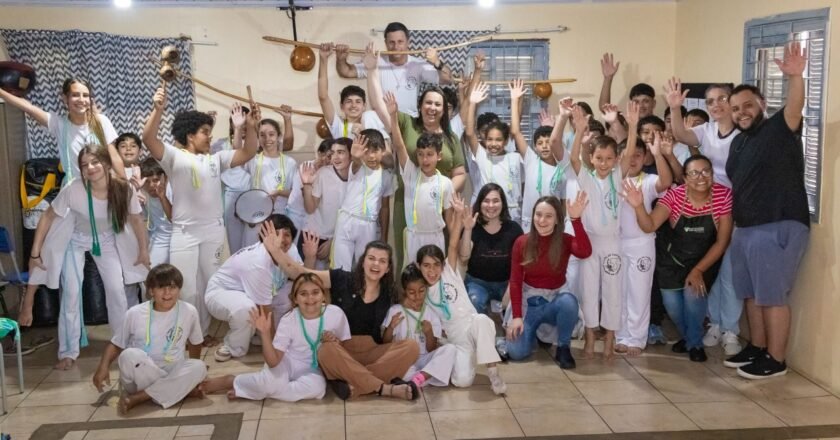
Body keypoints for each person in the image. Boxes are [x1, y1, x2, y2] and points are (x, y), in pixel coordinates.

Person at [142, 86, 259, 342]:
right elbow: (148, 139)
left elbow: (249, 151)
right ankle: (186, 335)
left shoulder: (216, 159)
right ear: (190, 135)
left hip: (213, 231)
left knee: (212, 285)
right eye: (205, 132)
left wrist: (251, 126)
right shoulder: (174, 157)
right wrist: (157, 109)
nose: (209, 137)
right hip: (183, 233)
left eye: (210, 132)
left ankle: (203, 333)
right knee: (186, 289)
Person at [723, 42, 810, 379]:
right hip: (746, 227)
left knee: (771, 295)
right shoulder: (739, 141)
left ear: (761, 104)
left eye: (747, 105)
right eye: (735, 108)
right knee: (751, 293)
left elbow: (795, 106)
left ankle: (776, 359)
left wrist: (795, 77)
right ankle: (757, 347)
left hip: (777, 223)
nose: (741, 112)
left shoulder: (778, 128)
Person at [20, 144, 149, 370]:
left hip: (107, 239)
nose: (90, 168)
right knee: (70, 291)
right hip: (74, 240)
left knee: (117, 291)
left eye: (95, 162)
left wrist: (143, 250)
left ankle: (122, 345)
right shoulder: (74, 188)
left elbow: (137, 220)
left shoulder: (122, 189)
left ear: (106, 163)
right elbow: (47, 217)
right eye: (84, 164)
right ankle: (68, 352)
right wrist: (35, 252)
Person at [266, 226, 420, 401]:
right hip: (341, 349)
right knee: (325, 351)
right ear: (363, 262)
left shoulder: (390, 292)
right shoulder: (342, 278)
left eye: (382, 261)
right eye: (371, 258)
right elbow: (301, 274)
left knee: (411, 347)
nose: (376, 264)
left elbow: (414, 295)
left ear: (387, 268)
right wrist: (275, 251)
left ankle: (351, 381)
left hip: (371, 350)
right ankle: (384, 388)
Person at [366, 43, 466, 270]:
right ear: (420, 106)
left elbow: (460, 173)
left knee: (438, 261)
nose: (432, 107)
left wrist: (442, 192)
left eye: (438, 104)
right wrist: (372, 71)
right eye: (428, 103)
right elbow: (380, 106)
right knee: (409, 262)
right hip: (408, 201)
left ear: (444, 109)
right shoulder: (407, 123)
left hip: (443, 206)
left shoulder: (451, 138)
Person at [624, 155, 733, 362]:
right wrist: (638, 206)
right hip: (672, 261)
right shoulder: (674, 196)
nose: (701, 177)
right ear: (684, 177)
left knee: (693, 297)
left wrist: (699, 270)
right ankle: (690, 337)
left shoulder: (723, 195)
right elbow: (649, 226)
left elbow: (722, 242)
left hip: (704, 260)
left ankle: (694, 344)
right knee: (673, 306)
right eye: (694, 173)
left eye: (706, 171)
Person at [665, 79, 743, 355]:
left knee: (730, 273)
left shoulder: (742, 133)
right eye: (710, 101)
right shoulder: (706, 130)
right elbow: (681, 134)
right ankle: (714, 324)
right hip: (707, 203)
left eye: (722, 99)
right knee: (710, 271)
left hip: (733, 207)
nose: (716, 105)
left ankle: (731, 329)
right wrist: (675, 108)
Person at [201, 273, 351, 402]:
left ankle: (255, 390)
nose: (310, 298)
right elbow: (273, 362)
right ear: (295, 299)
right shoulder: (289, 319)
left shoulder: (336, 313)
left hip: (313, 368)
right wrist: (265, 334)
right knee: (272, 381)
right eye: (303, 293)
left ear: (324, 295)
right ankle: (233, 381)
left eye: (315, 292)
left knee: (318, 389)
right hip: (287, 362)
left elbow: (345, 348)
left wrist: (334, 343)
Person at [418, 194, 506, 395]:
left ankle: (493, 373)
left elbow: (453, 244)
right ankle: (470, 357)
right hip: (457, 341)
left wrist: (458, 215)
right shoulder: (422, 293)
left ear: (442, 265)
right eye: (426, 266)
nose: (432, 271)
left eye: (436, 266)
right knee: (462, 382)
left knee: (483, 320)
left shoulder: (449, 271)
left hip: (473, 325)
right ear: (419, 267)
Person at [92, 264, 206, 414]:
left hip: (171, 369)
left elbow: (195, 343)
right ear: (151, 290)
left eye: (172, 288)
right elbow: (116, 344)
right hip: (140, 374)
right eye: (161, 288)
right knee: (129, 355)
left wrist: (194, 375)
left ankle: (140, 398)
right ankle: (175, 390)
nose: (167, 293)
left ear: (179, 289)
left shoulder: (189, 311)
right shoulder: (134, 313)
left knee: (199, 367)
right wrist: (103, 367)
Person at [569, 103, 635, 359]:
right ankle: (589, 339)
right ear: (592, 158)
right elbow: (574, 158)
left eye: (609, 159)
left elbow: (629, 154)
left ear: (615, 160)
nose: (604, 163)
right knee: (588, 290)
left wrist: (633, 125)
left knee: (612, 292)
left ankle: (609, 341)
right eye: (599, 158)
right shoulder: (585, 177)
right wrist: (579, 130)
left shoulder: (617, 176)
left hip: (612, 245)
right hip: (589, 245)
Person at [505, 193, 591, 369]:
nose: (542, 220)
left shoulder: (565, 240)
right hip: (529, 303)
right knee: (516, 352)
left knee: (569, 302)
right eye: (538, 214)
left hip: (555, 301)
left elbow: (585, 251)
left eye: (548, 216)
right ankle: (534, 334)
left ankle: (563, 347)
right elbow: (515, 281)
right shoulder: (521, 242)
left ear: (557, 219)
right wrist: (517, 317)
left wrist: (576, 219)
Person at [205, 215, 304, 362]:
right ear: (264, 236)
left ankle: (258, 334)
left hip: (254, 292)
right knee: (246, 309)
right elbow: (264, 308)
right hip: (221, 293)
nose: (282, 240)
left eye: (287, 235)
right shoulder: (258, 261)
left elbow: (301, 279)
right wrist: (274, 349)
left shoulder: (291, 250)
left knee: (291, 292)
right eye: (276, 234)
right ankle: (233, 345)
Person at [616, 104, 673, 356]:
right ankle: (621, 334)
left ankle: (637, 339)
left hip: (642, 243)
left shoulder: (648, 181)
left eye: (639, 156)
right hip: (617, 243)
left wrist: (658, 153)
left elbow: (667, 181)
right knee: (620, 291)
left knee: (639, 292)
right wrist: (630, 127)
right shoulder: (614, 179)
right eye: (630, 156)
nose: (634, 159)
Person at [0, 77, 124, 184]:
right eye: (75, 95)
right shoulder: (58, 124)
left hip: (102, 187)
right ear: (65, 99)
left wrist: (128, 186)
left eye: (85, 95)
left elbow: (114, 157)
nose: (81, 99)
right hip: (74, 189)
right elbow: (29, 108)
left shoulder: (101, 121)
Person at [385, 92, 454, 268]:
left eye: (430, 155)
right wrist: (393, 116)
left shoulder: (446, 183)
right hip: (414, 237)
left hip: (436, 237)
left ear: (439, 156)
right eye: (421, 155)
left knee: (434, 279)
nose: (425, 159)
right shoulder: (411, 174)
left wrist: (455, 244)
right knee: (412, 279)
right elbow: (399, 145)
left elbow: (450, 220)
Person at [336, 22, 451, 116]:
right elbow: (346, 72)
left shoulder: (418, 64)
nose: (396, 47)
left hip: (410, 121)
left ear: (408, 43)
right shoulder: (375, 61)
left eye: (400, 42)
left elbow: (448, 79)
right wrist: (341, 59)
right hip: (382, 119)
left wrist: (437, 61)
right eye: (392, 42)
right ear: (385, 43)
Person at [382, 263, 456, 389]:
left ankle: (418, 379)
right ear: (405, 291)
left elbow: (432, 349)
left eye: (421, 291)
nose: (417, 296)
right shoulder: (396, 310)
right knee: (397, 371)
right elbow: (385, 343)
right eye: (412, 292)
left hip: (424, 359)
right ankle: (424, 378)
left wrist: (429, 333)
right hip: (404, 361)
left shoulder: (431, 313)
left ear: (426, 288)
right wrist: (390, 327)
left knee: (450, 349)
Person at [330, 131, 394, 270]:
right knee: (340, 269)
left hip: (369, 225)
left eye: (375, 151)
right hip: (347, 221)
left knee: (364, 269)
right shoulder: (356, 166)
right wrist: (355, 156)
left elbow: (385, 208)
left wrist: (383, 235)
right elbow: (357, 160)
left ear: (383, 151)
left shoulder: (386, 175)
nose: (371, 156)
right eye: (366, 151)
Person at [464, 82, 523, 222]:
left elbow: (515, 130)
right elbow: (469, 132)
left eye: (498, 140)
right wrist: (472, 103)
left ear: (505, 141)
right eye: (489, 139)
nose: (493, 144)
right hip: (487, 213)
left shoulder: (515, 157)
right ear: (484, 139)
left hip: (512, 215)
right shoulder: (482, 156)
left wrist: (515, 100)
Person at [460, 183, 522, 314]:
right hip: (477, 282)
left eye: (496, 201)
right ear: (480, 204)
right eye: (486, 201)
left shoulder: (514, 229)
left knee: (515, 305)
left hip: (506, 282)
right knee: (474, 301)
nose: (491, 206)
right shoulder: (472, 227)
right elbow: (464, 257)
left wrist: (511, 290)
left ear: (503, 203)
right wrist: (467, 229)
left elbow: (521, 265)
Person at [241, 118, 298, 247]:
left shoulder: (290, 163)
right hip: (255, 218)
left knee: (277, 259)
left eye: (271, 134)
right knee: (253, 259)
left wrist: (279, 192)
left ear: (279, 136)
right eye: (262, 135)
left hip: (280, 219)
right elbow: (236, 150)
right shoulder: (251, 160)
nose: (267, 139)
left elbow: (296, 193)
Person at [318, 43, 389, 140]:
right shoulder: (338, 126)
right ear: (341, 106)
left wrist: (363, 133)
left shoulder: (371, 119)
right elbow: (323, 97)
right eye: (349, 101)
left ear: (364, 106)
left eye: (358, 101)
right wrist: (323, 59)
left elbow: (384, 150)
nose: (353, 105)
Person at [301, 138, 352, 269]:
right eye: (333, 153)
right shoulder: (324, 173)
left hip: (338, 238)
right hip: (314, 236)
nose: (335, 157)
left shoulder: (357, 179)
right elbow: (310, 208)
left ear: (352, 154)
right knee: (309, 280)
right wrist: (307, 185)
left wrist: (333, 241)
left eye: (340, 152)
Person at [138, 158, 173, 268]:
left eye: (156, 180)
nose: (152, 185)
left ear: (165, 178)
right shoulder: (142, 194)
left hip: (178, 237)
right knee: (150, 270)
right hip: (159, 239)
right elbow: (141, 221)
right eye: (146, 182)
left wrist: (162, 197)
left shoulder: (172, 190)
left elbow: (173, 218)